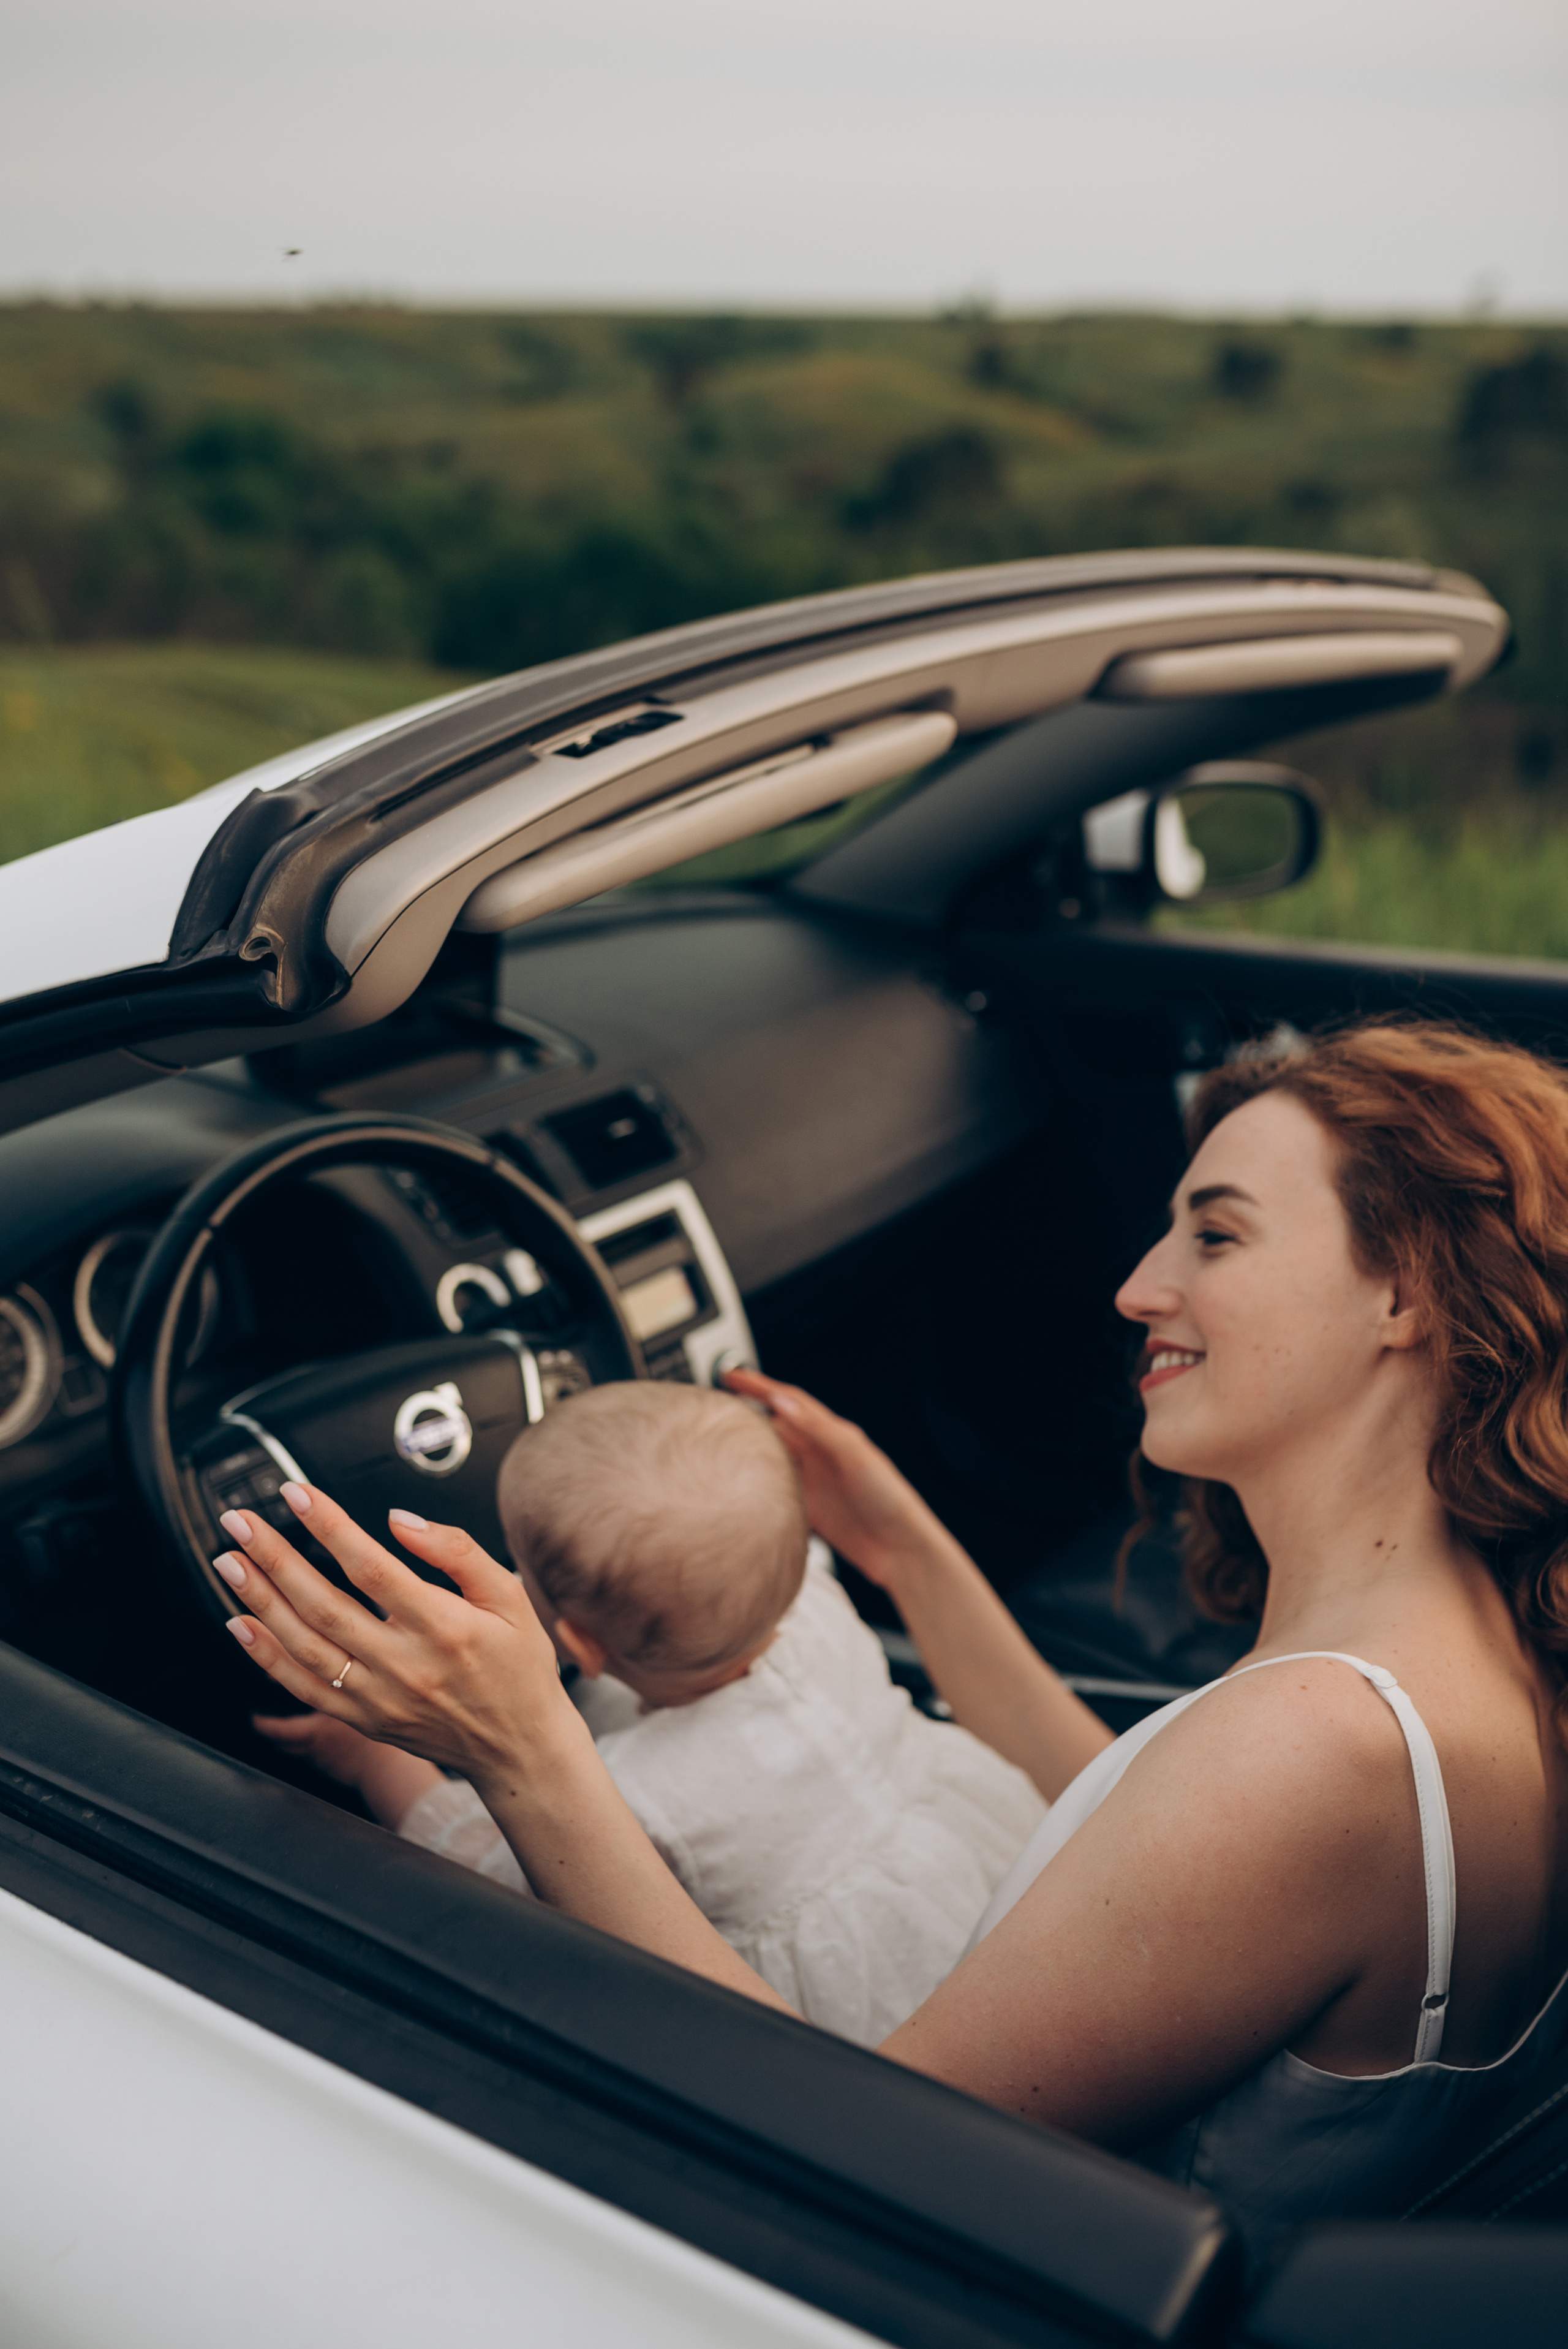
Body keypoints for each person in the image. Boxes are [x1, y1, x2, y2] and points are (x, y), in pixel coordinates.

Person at [217, 1018, 1568, 2254]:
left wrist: (520, 1750)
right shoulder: (1461, 1648)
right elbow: (1150, 1839)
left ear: (1406, 1298)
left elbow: (845, 2145)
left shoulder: (1311, 1749)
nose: (1137, 1286)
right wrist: (901, 1549)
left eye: (1213, 1237)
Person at [255, 1380, 1044, 2046]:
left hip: (855, 2015)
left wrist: (369, 1756)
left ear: (579, 1646)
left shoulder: (641, 1794)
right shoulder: (814, 1601)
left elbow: (477, 1857)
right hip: (972, 1888)